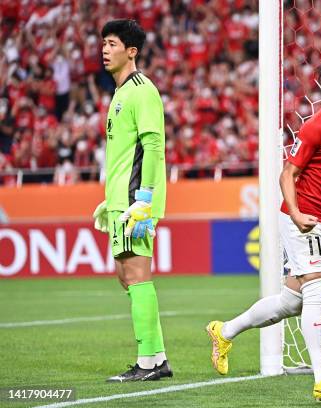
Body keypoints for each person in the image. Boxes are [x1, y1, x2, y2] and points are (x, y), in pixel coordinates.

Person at [206, 45, 321, 401]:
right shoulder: (319, 125)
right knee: (318, 289)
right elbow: (287, 174)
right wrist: (294, 212)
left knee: (293, 302)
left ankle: (224, 331)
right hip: (302, 218)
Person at [92, 19, 172, 382]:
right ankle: (157, 358)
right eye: (103, 43)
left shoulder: (142, 90)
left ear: (131, 51)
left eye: (112, 43)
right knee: (127, 276)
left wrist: (143, 198)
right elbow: (126, 154)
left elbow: (153, 146)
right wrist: (108, 201)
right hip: (121, 200)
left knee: (136, 273)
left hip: (135, 200)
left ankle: (148, 363)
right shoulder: (121, 92)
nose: (104, 49)